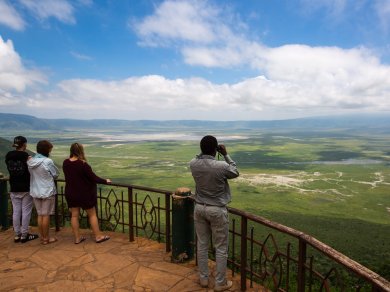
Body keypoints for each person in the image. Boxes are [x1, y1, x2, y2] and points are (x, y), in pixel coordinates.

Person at [189, 135, 239, 291]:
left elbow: (198, 158)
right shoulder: (221, 166)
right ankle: (220, 283)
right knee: (221, 248)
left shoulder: (193, 164)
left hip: (199, 208)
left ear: (201, 148)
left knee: (202, 245)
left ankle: (203, 279)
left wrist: (205, 152)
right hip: (216, 209)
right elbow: (235, 171)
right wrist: (225, 154)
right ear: (215, 149)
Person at [62, 142, 111, 244]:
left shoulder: (65, 163)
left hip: (71, 193)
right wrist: (105, 181)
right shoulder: (83, 164)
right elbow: (93, 178)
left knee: (74, 216)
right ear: (81, 151)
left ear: (71, 151)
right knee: (92, 215)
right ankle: (98, 236)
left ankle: (77, 238)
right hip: (84, 194)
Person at [5, 136, 39, 243]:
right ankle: (24, 235)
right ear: (24, 144)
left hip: (13, 186)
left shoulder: (9, 155)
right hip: (26, 187)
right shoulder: (25, 156)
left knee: (16, 211)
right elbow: (33, 166)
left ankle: (16, 235)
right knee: (26, 211)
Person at [27, 140, 59, 245]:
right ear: (47, 150)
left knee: (40, 215)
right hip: (47, 190)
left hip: (35, 190)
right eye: (50, 149)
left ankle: (42, 238)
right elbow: (55, 174)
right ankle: (46, 238)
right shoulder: (47, 161)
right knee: (46, 215)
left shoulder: (30, 161)